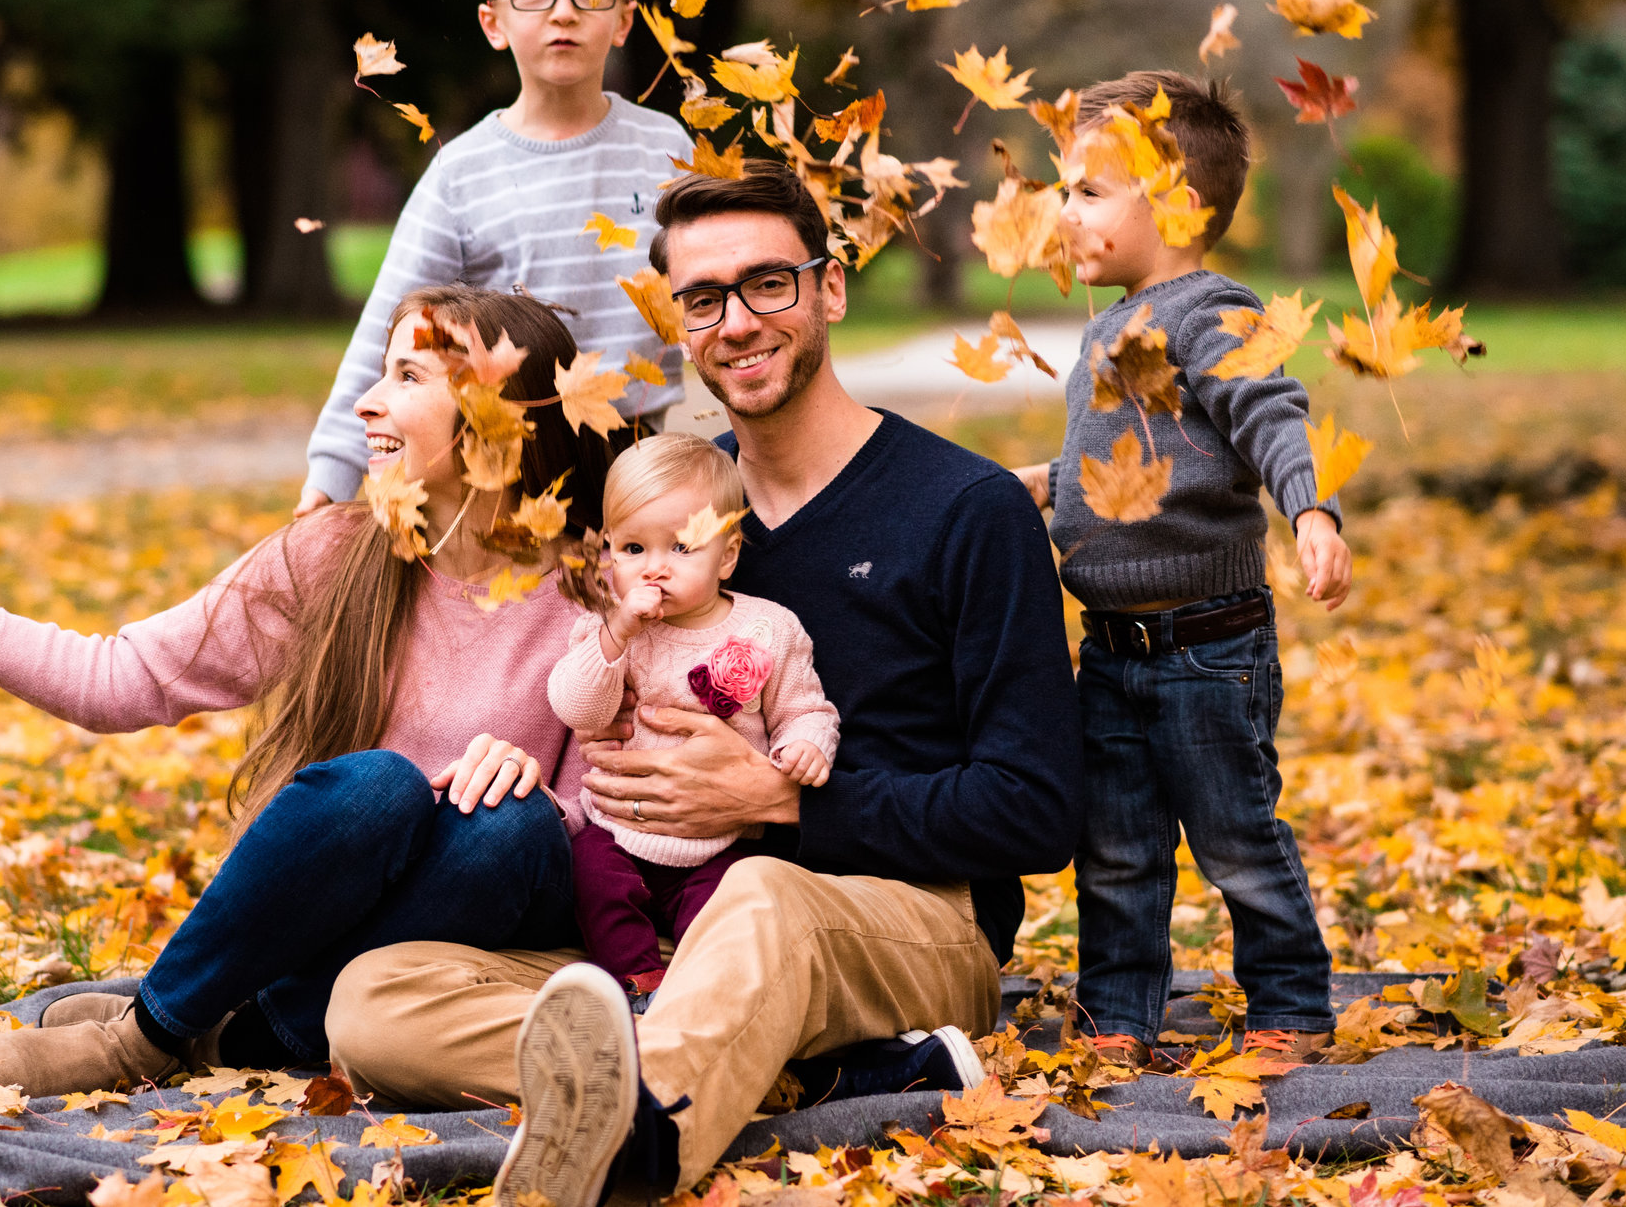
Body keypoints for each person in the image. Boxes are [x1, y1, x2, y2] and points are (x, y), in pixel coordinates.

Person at [322, 163, 1081, 1207]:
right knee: (374, 997)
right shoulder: (658, 514)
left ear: (831, 288)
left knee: (767, 895)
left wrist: (784, 800)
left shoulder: (965, 508)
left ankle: (627, 1151)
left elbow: (1038, 810)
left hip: (895, 918)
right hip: (656, 925)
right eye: (702, 297)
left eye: (769, 283)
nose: (736, 321)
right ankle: (819, 1070)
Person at [0, 286, 612, 1096]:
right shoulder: (333, 556)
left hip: (493, 923)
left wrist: (548, 794)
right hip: (339, 921)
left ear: (501, 421)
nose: (366, 403)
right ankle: (191, 1033)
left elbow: (623, 816)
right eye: (380, 371)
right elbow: (116, 678)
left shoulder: (597, 591)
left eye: (408, 376)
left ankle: (178, 1030)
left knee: (509, 827)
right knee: (377, 784)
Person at [1011, 71, 1349, 1069]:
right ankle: (1121, 1014)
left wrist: (1312, 509)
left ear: (1174, 201)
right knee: (1115, 850)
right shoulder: (1109, 325)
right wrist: (1047, 480)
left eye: (1085, 189)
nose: (1061, 210)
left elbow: (1267, 416)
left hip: (1208, 646)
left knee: (1236, 835)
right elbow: (1144, 460)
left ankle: (1290, 1001)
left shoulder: (1212, 310)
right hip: (1111, 648)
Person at [298, 0, 687, 514]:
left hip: (637, 467)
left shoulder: (665, 148)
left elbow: (704, 291)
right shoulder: (463, 172)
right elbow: (383, 336)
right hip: (508, 473)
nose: (563, 12)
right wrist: (331, 480)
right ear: (493, 23)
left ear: (623, 19)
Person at [549, 434, 838, 1008]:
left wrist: (807, 746)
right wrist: (617, 635)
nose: (653, 570)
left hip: (719, 843)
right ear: (608, 553)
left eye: (681, 548)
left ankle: (703, 995)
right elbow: (576, 708)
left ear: (727, 554)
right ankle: (638, 986)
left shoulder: (767, 630)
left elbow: (804, 708)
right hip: (617, 834)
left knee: (734, 905)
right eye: (633, 549)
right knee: (590, 874)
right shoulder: (608, 629)